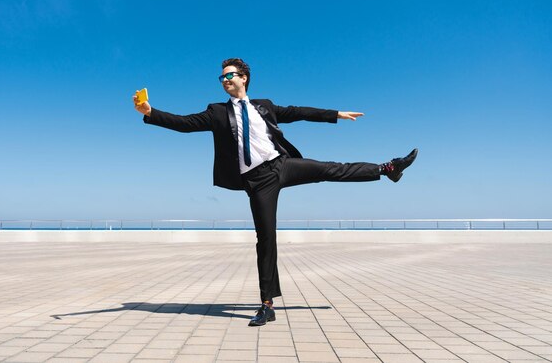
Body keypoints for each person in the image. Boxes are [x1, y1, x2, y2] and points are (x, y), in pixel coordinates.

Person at [133, 58, 417, 326]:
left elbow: (297, 112)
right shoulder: (217, 112)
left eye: (229, 75)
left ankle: (387, 168)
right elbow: (185, 123)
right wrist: (151, 113)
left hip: (280, 165)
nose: (224, 80)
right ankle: (267, 305)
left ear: (243, 78)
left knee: (330, 168)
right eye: (222, 77)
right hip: (257, 181)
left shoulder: (264, 106)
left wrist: (335, 114)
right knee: (266, 238)